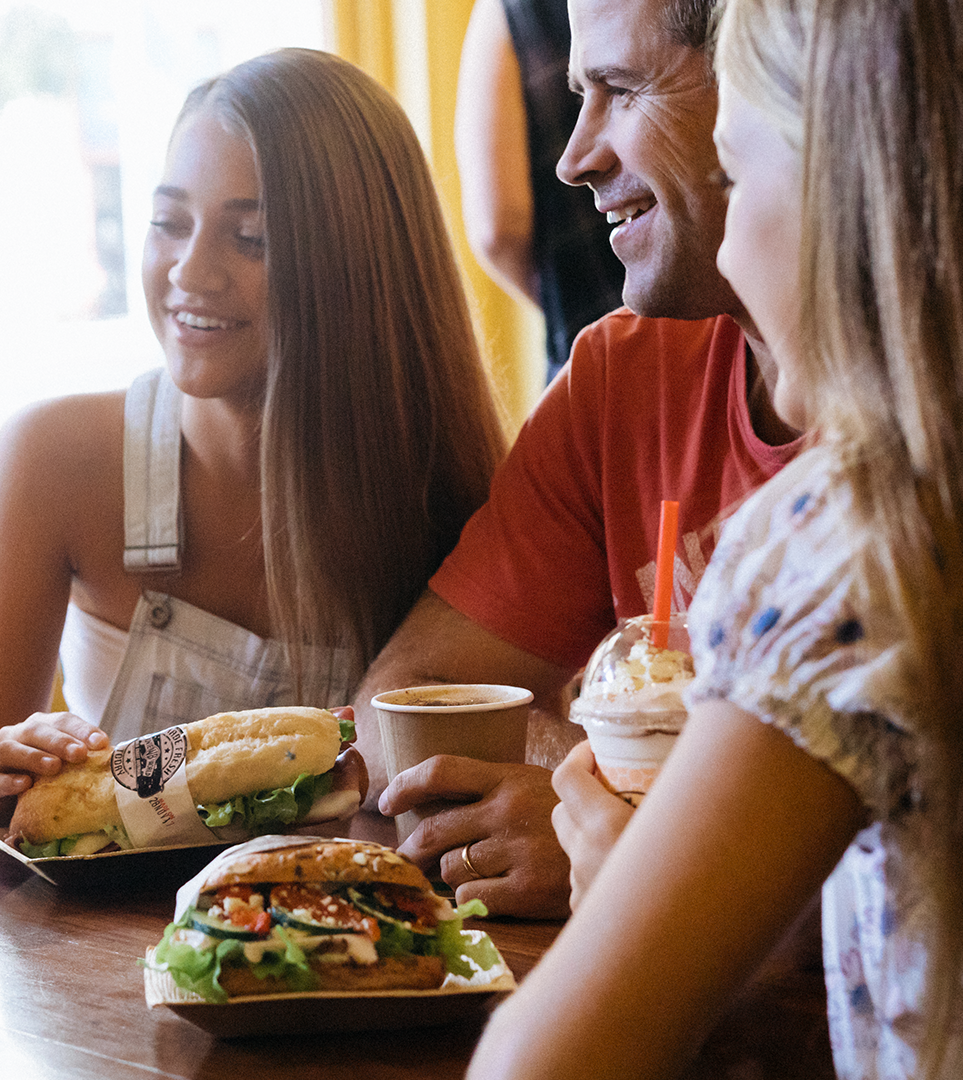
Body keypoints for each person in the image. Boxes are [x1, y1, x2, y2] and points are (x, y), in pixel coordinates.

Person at [473, 0, 963, 1075]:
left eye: (738, 175)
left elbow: (542, 1063)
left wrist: (634, 882)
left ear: (842, 188)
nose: (732, 246)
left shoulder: (846, 541)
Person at [0, 48, 507, 844]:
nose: (191, 271)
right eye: (167, 223)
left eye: (250, 238)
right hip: (96, 956)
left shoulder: (454, 489)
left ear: (357, 267)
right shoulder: (54, 460)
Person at [358, 0, 805, 919]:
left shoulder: (912, 431)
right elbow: (401, 703)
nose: (573, 157)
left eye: (620, 89)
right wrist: (597, 802)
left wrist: (644, 841)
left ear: (769, 85)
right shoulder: (620, 373)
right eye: (577, 94)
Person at [455, 0, 625, 381]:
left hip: (591, 350)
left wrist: (579, 305)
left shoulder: (507, 12)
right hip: (722, 334)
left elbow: (496, 227)